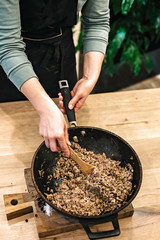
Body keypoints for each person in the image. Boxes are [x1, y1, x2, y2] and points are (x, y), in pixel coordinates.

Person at [0, 0, 110, 157]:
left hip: (61, 51)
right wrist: (45, 108)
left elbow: (97, 22)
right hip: (11, 68)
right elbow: (8, 46)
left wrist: (89, 77)